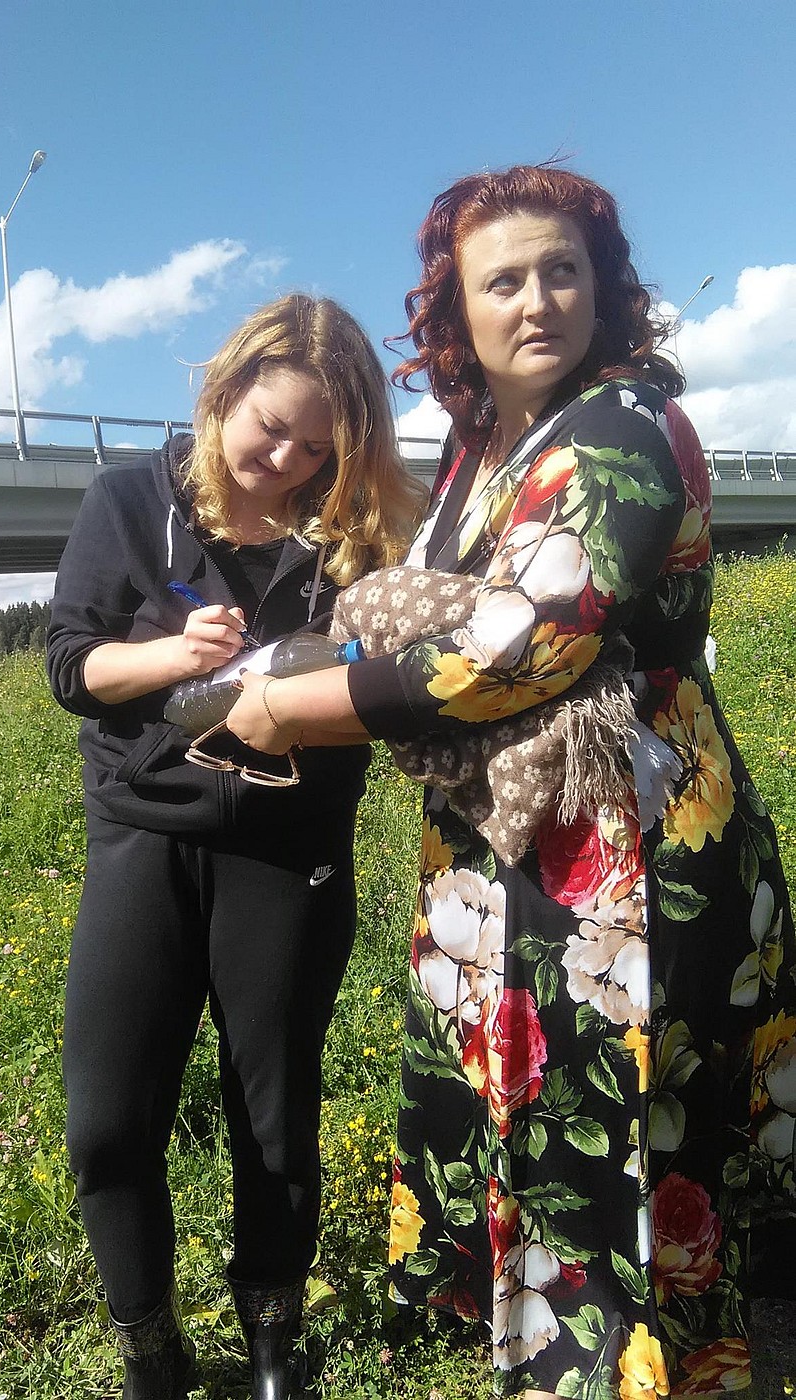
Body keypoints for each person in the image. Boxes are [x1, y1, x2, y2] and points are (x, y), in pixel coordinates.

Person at [225, 167, 796, 1398]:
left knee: (615, 1095)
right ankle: (541, 1329)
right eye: (502, 281)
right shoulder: (478, 445)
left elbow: (520, 645)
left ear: (603, 285)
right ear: (458, 312)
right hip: (507, 826)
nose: (536, 300)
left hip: (625, 832)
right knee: (522, 1083)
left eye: (561, 270)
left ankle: (639, 1357)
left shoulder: (627, 427)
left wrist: (280, 705)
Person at [45, 292, 426, 1400]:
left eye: (319, 447)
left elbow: (401, 686)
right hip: (142, 834)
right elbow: (71, 665)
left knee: (274, 1115)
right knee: (107, 1120)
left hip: (289, 848)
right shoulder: (129, 501)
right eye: (271, 427)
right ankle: (150, 1346)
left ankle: (272, 1338)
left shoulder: (355, 538)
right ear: (223, 391)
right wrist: (171, 658)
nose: (288, 462)